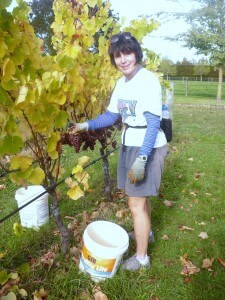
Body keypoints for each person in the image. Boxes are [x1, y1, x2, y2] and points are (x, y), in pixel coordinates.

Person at [70, 32, 167, 271]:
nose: (123, 60)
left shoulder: (148, 81)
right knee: (139, 200)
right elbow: (112, 115)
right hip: (129, 142)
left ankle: (142, 258)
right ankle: (148, 232)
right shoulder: (121, 84)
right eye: (118, 56)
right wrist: (86, 125)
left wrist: (143, 159)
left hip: (147, 144)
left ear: (136, 54)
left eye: (128, 53)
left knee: (135, 204)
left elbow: (154, 124)